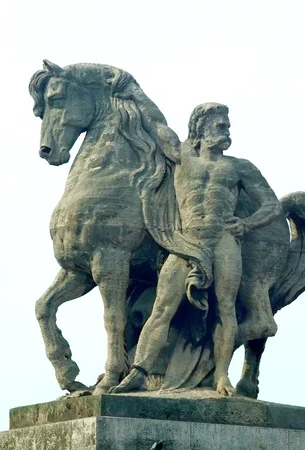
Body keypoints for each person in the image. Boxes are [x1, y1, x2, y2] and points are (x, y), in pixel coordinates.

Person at [109, 103, 282, 396]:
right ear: (202, 129)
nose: (227, 132)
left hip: (223, 242)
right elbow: (152, 123)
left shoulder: (239, 167)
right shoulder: (181, 155)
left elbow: (273, 205)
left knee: (226, 309)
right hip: (186, 241)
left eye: (228, 126)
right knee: (161, 308)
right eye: (220, 126)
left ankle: (222, 377)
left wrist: (247, 224)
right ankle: (138, 373)